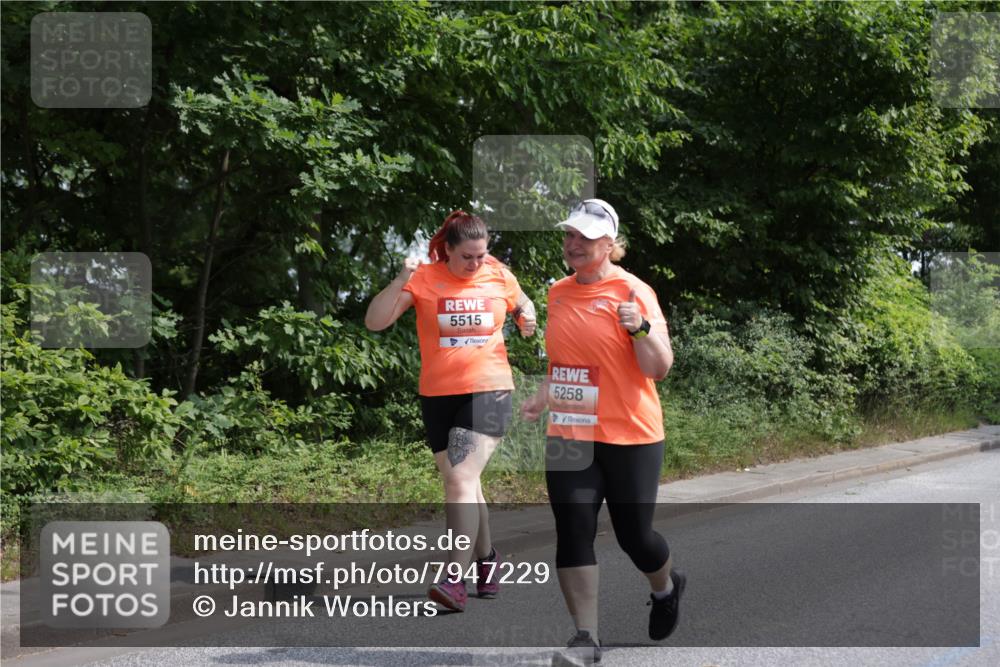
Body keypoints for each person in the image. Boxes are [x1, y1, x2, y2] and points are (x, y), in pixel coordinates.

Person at [521, 199, 683, 665]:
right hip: (573, 429)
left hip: (631, 432)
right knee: (573, 528)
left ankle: (666, 587)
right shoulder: (558, 292)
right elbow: (564, 358)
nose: (574, 245)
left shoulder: (634, 292)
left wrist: (641, 329)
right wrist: (543, 394)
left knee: (636, 536)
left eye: (586, 238)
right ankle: (585, 639)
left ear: (610, 245)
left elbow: (660, 368)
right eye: (570, 236)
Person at [365, 210, 536, 612]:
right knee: (466, 483)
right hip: (439, 396)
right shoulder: (423, 278)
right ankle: (488, 559)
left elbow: (522, 300)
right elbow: (376, 322)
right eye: (468, 257)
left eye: (482, 255)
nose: (477, 264)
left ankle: (454, 579)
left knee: (459, 476)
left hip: (489, 390)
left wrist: (526, 315)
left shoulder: (497, 273)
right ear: (448, 251)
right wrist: (399, 280)